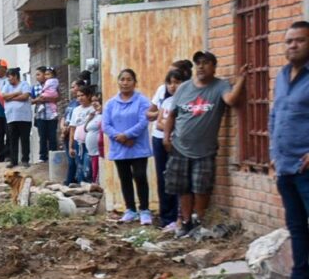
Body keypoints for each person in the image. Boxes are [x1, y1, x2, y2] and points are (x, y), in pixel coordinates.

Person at [163, 52, 249, 237]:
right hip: (180, 146)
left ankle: (198, 221)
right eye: (198, 63)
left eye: (205, 63)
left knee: (201, 188)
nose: (201, 67)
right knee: (183, 188)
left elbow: (231, 100)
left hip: (205, 149)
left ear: (214, 67)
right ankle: (186, 223)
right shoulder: (184, 88)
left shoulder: (220, 86)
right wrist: (166, 137)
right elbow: (172, 115)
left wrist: (241, 79)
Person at [266, 21, 309, 279]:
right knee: (297, 229)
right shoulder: (282, 75)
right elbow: (275, 115)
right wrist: (274, 151)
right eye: (289, 41)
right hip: (285, 166)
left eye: (300, 40)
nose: (293, 45)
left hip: (306, 168)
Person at [102, 68, 154, 224]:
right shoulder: (111, 103)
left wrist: (128, 135)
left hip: (138, 146)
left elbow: (143, 121)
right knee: (125, 178)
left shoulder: (142, 101)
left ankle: (144, 210)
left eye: (129, 79)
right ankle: (130, 209)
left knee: (140, 176)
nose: (125, 83)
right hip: (120, 147)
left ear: (135, 82)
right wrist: (121, 138)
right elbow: (105, 125)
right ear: (118, 82)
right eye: (122, 79)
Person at [146, 67, 188, 232]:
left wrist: (170, 127)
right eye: (169, 83)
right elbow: (158, 123)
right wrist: (169, 127)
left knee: (177, 178)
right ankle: (166, 217)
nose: (172, 86)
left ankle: (178, 216)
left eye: (176, 82)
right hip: (160, 140)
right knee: (163, 178)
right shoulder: (165, 101)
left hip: (177, 143)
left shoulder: (186, 101)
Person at [2, 68, 33, 168]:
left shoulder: (24, 84)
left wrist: (10, 98)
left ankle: (25, 160)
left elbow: (25, 96)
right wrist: (17, 93)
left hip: (24, 117)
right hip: (11, 117)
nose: (8, 79)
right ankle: (13, 160)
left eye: (10, 77)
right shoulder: (7, 85)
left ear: (15, 76)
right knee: (12, 140)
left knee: (25, 139)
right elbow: (4, 96)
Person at [33, 66, 61, 163]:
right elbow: (31, 100)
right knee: (42, 137)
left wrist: (46, 98)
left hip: (51, 115)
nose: (37, 77)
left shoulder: (53, 84)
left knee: (52, 136)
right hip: (40, 116)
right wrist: (38, 99)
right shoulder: (35, 87)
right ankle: (43, 156)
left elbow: (58, 97)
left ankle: (53, 156)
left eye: (39, 74)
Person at [69, 86, 97, 183]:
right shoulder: (76, 110)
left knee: (87, 166)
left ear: (89, 96)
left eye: (82, 95)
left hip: (90, 144)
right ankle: (81, 186)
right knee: (79, 166)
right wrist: (71, 146)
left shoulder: (93, 109)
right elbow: (72, 128)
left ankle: (89, 185)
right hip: (78, 143)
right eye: (78, 96)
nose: (80, 98)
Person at [83, 90, 103, 183]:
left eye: (96, 101)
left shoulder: (104, 115)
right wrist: (89, 119)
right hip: (91, 151)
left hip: (98, 151)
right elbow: (85, 129)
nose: (94, 103)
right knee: (90, 173)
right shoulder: (94, 114)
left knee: (96, 173)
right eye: (92, 101)